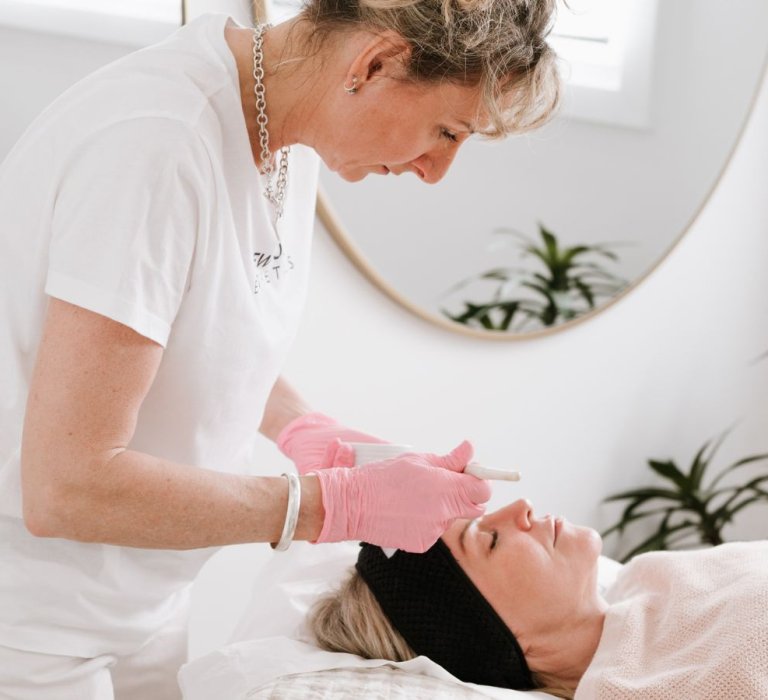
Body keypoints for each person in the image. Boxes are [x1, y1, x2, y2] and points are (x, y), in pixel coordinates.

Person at [0, 1, 560, 697]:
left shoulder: (286, 144)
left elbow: (186, 328)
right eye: (447, 130)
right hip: (32, 622)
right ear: (374, 64)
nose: (436, 169)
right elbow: (64, 489)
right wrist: (330, 505)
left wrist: (302, 426)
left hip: (145, 597)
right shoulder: (155, 144)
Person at [310, 498, 768, 699]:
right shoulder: (649, 687)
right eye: (489, 539)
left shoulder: (647, 578)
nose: (521, 508)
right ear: (496, 635)